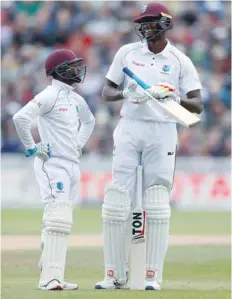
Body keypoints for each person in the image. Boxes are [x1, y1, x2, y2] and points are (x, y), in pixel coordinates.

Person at [95, 2, 203, 291]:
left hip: (162, 131)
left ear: (165, 24)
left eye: (150, 22)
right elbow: (107, 91)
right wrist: (126, 93)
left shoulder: (180, 60)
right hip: (129, 126)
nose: (144, 27)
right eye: (141, 23)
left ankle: (151, 275)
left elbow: (197, 105)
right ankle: (114, 274)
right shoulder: (126, 53)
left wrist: (172, 97)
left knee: (156, 203)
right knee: (117, 200)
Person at [13, 49, 95, 291]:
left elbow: (90, 122)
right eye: (72, 65)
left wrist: (79, 144)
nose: (77, 70)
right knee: (57, 217)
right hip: (53, 164)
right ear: (59, 71)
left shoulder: (75, 99)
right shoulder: (49, 95)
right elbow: (20, 118)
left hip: (72, 164)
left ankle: (52, 269)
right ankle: (49, 277)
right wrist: (32, 149)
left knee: (61, 218)